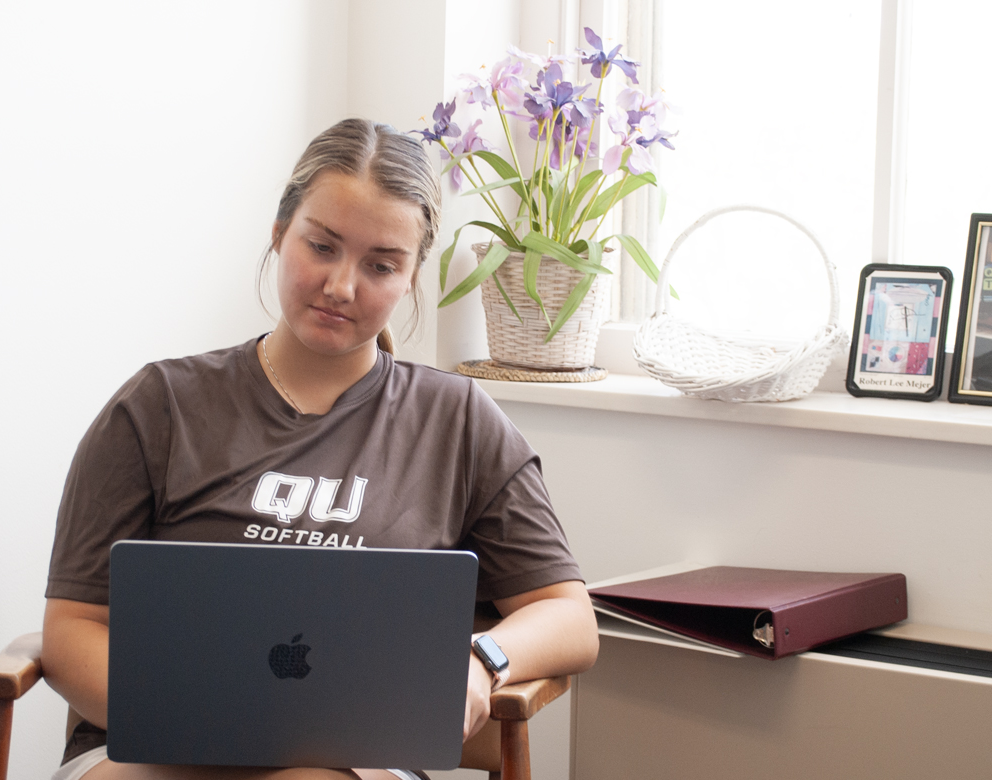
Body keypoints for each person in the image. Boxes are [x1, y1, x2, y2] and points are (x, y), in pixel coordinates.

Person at [41, 118, 600, 780]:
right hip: (157, 747)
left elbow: (569, 618)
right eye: (322, 246)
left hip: (356, 758)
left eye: (381, 265)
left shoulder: (458, 420)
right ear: (280, 232)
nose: (341, 286)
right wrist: (215, 725)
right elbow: (72, 628)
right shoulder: (157, 406)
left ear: (412, 277)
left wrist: (482, 661)